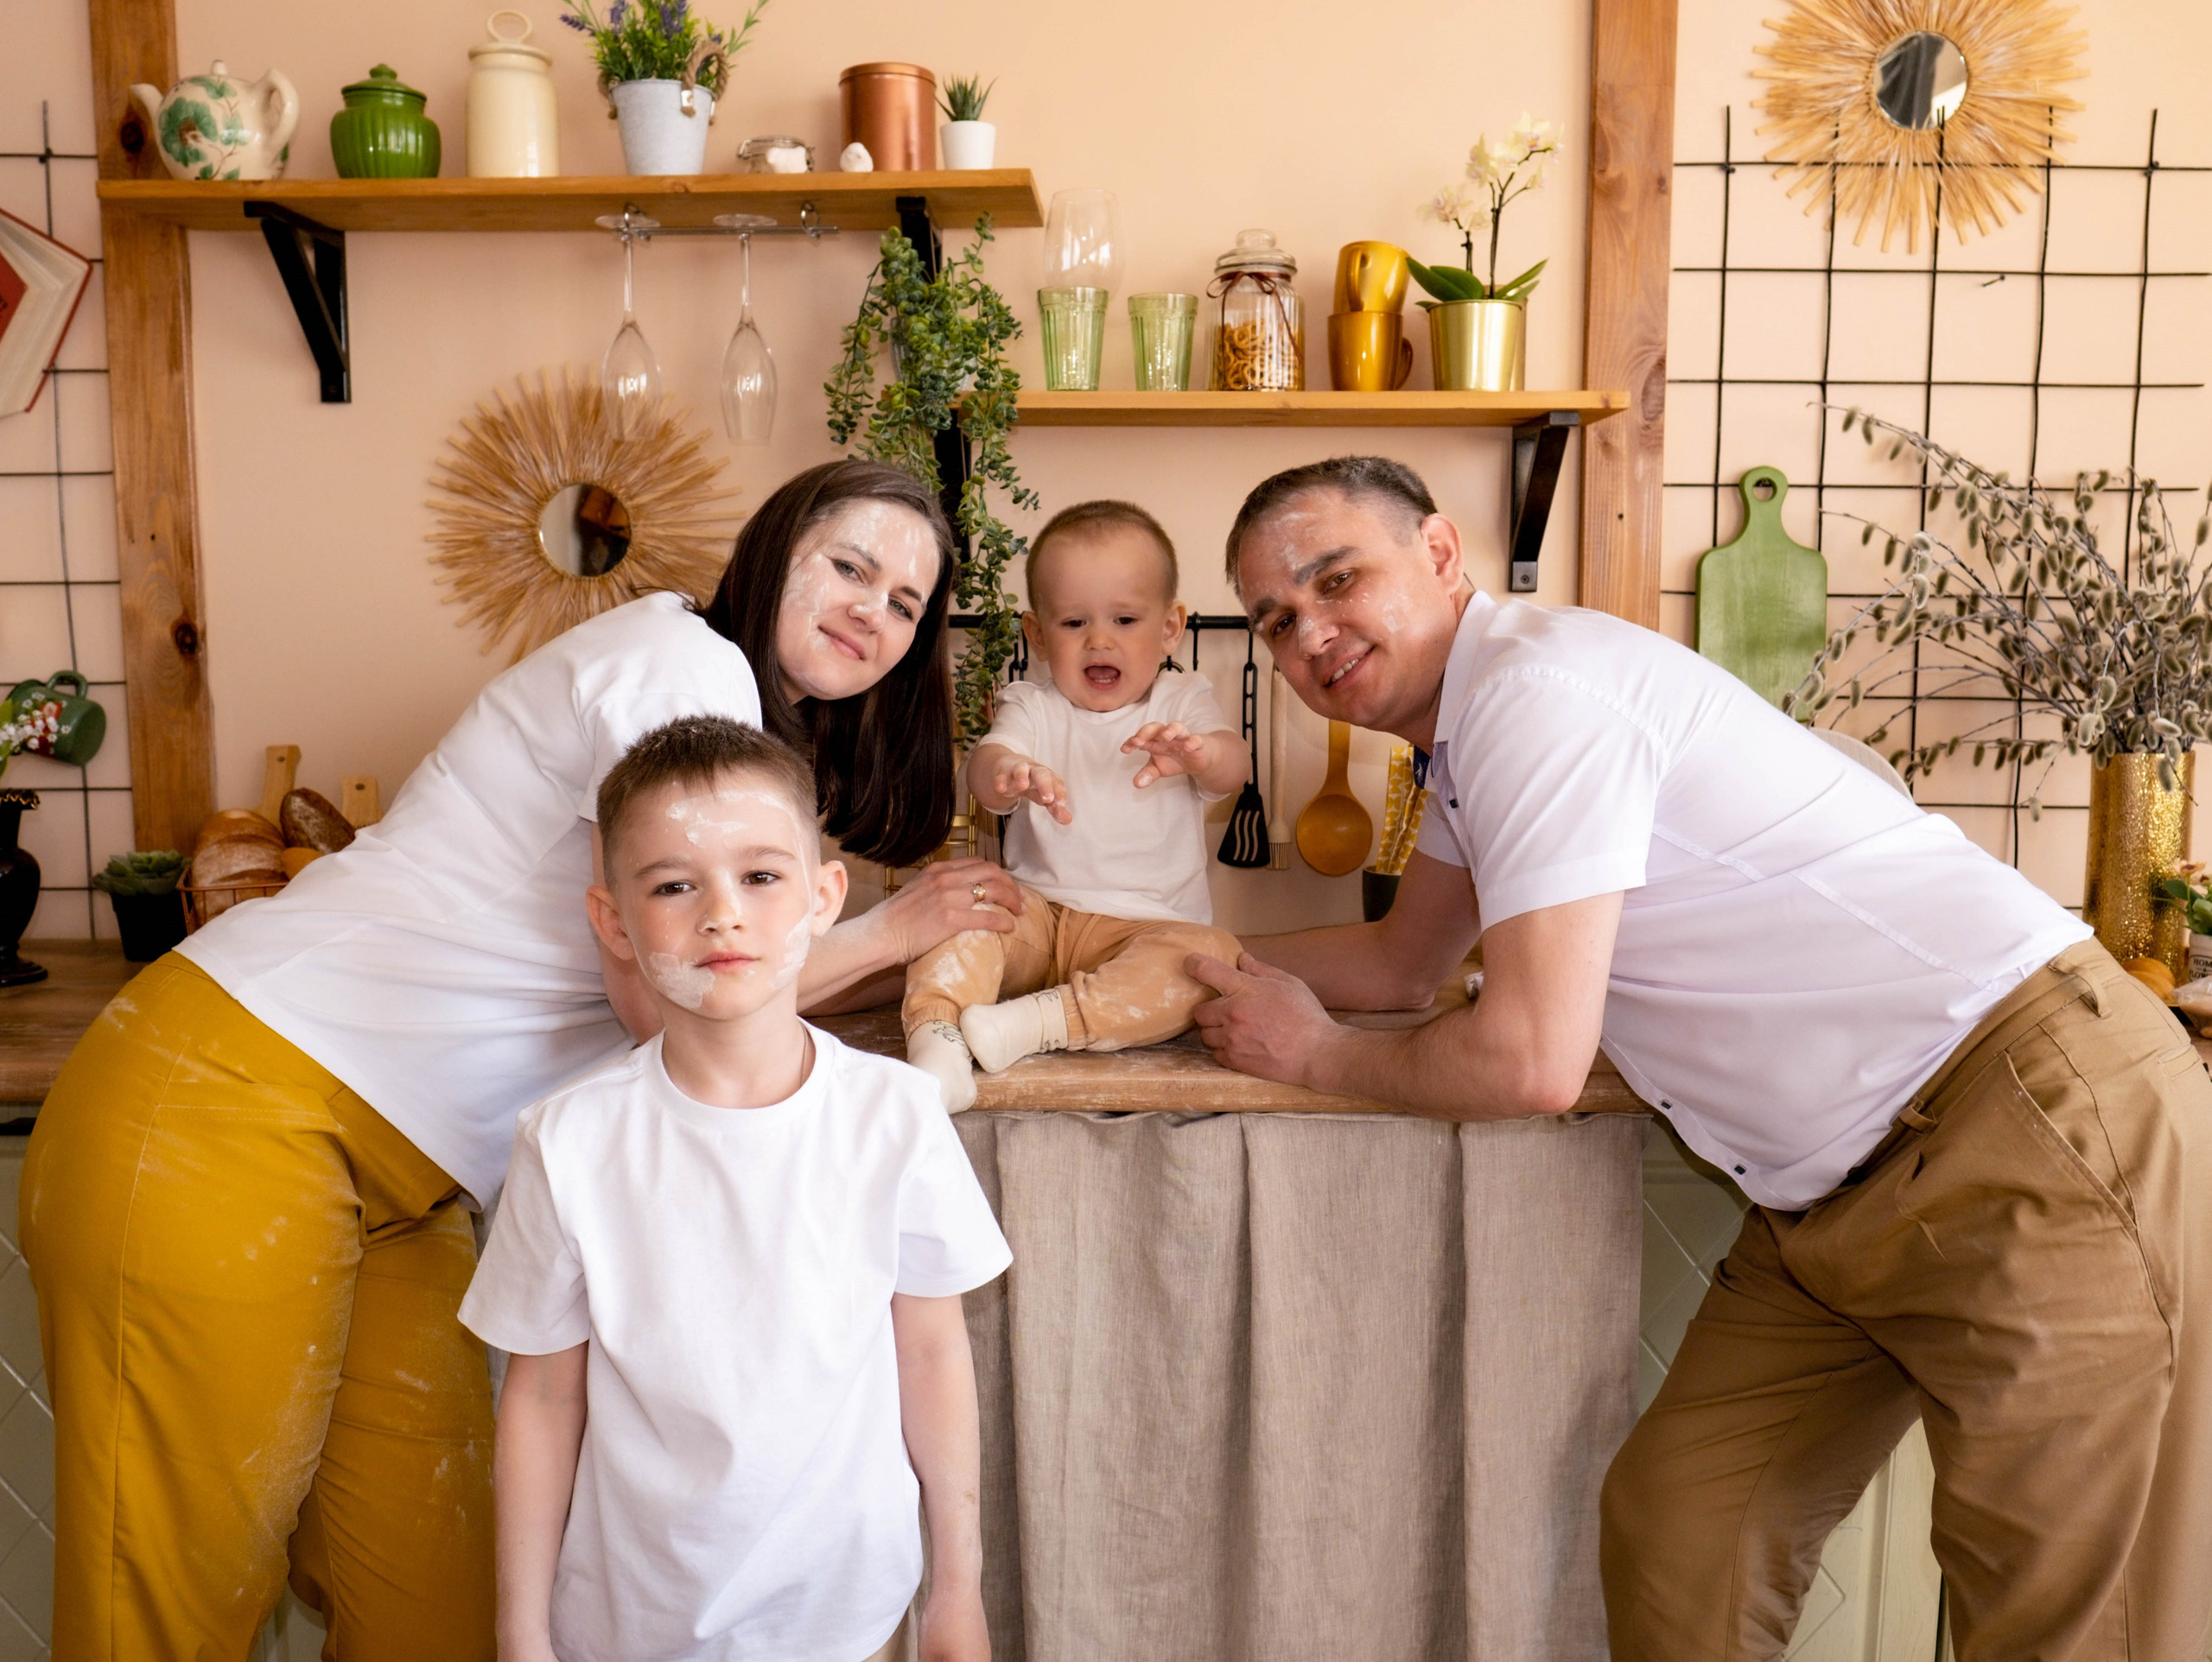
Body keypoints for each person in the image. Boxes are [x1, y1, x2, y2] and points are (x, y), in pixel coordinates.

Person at [1190, 454, 2212, 1661]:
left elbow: (1530, 1061)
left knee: (2061, 1623)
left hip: (2025, 1126)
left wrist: (1313, 1059)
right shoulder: (1465, 744)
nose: (1311, 632)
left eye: (1336, 579)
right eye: (1275, 620)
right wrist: (1152, 955)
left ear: (1442, 553)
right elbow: (1402, 964)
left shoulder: (1536, 695)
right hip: (1830, 1205)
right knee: (1685, 1531)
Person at [20, 459, 1026, 1659]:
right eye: (849, 566)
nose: (874, 609)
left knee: (437, 1607)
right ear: (771, 554)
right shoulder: (685, 670)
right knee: (171, 1600)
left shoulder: (710, 695)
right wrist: (894, 936)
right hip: (226, 1102)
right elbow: (686, 993)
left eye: (907, 604)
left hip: (400, 1176)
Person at [467, 717, 1007, 1662]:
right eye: (674, 884)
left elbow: (931, 1358)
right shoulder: (568, 1144)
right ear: (613, 922)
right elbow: (543, 1401)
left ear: (823, 895)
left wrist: (956, 1591)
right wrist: (521, 1633)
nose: (722, 913)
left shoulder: (896, 1117)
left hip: (851, 1621)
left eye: (760, 876)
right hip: (630, 1626)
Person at [901, 500, 1247, 1112]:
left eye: (1125, 619)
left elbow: (1233, 766)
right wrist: (1007, 773)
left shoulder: (1182, 699)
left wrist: (1198, 755)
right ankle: (937, 1034)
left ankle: (1032, 1025)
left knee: (1211, 958)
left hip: (1148, 927)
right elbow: (985, 767)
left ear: (1171, 627)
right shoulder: (1032, 705)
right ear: (1036, 634)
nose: (1100, 639)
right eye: (1073, 623)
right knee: (962, 906)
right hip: (1036, 916)